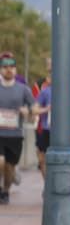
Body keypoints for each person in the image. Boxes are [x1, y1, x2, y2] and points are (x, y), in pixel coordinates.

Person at [0, 52, 34, 204]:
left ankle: (5, 191)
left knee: (9, 167)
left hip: (15, 135)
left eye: (12, 67)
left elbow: (34, 107)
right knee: (0, 161)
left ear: (15, 69)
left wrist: (28, 111)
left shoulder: (23, 89)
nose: (9, 69)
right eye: (5, 67)